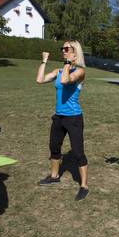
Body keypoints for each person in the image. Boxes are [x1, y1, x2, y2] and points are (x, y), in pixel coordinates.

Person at [36, 40, 89, 201]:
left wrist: (68, 63)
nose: (63, 51)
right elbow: (40, 79)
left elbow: (66, 80)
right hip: (59, 117)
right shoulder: (58, 71)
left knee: (78, 152)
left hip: (73, 118)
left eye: (67, 49)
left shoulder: (80, 71)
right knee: (54, 147)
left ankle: (84, 186)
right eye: (63, 49)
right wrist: (44, 61)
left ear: (75, 52)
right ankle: (54, 176)